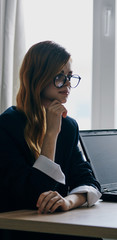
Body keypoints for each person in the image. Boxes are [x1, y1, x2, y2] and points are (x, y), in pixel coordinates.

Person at [0, 41, 102, 240]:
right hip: (21, 229)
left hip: (55, 223)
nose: (68, 84)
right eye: (59, 77)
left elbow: (89, 181)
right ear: (38, 77)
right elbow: (33, 193)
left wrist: (68, 201)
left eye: (70, 77)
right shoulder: (6, 126)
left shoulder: (69, 126)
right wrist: (51, 134)